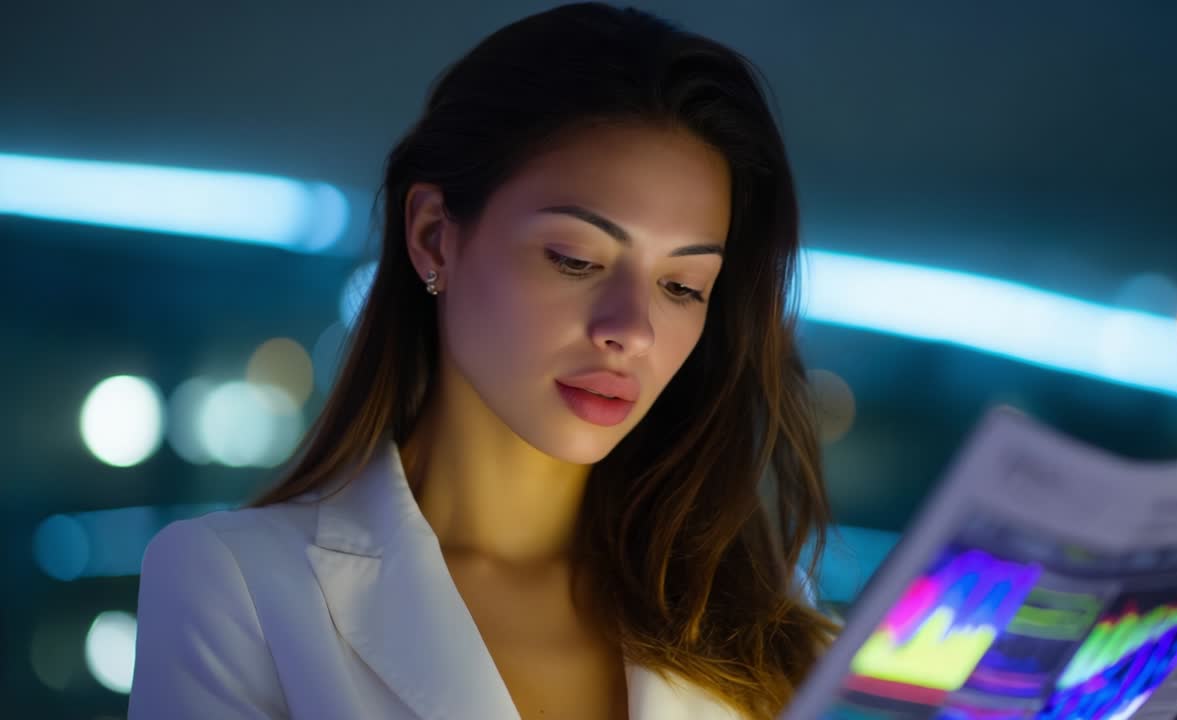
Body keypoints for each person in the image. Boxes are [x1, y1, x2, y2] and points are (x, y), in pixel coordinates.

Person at [128, 3, 840, 718]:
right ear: (434, 236)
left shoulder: (767, 627)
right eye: (575, 259)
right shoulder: (239, 585)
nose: (633, 330)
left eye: (682, 287)